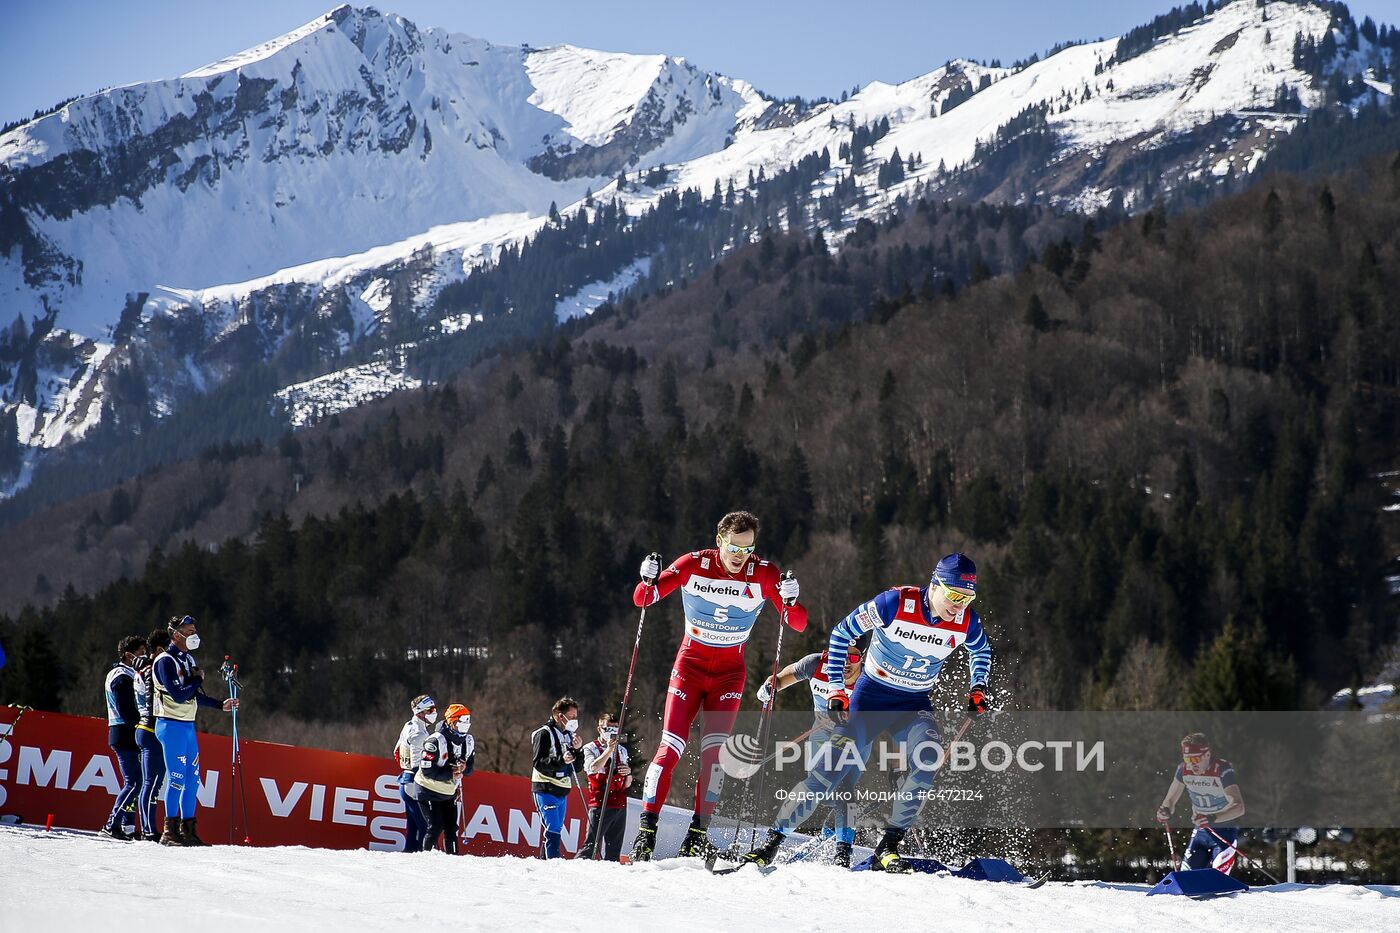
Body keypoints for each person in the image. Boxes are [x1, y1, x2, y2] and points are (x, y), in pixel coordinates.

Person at [743, 552, 992, 873]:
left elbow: (981, 650)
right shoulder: (894, 604)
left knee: (927, 761)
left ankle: (887, 849)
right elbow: (841, 633)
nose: (960, 604)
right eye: (955, 594)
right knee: (824, 777)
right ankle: (770, 845)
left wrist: (978, 687)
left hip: (913, 705)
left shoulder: (967, 621)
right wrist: (835, 688)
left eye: (968, 597)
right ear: (935, 584)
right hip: (871, 700)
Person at [630, 510, 807, 862]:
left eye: (748, 548)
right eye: (733, 547)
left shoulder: (765, 573)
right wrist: (647, 579)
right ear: (719, 542)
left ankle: (697, 836)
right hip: (690, 669)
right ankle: (646, 833)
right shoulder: (694, 564)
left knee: (714, 758)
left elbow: (798, 623)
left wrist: (790, 598)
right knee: (671, 748)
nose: (740, 556)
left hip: (729, 675)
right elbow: (643, 599)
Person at [754, 646, 863, 866]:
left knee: (843, 791)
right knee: (818, 788)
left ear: (863, 657)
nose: (846, 663)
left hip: (856, 738)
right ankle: (774, 843)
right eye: (839, 656)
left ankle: (842, 853)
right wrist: (768, 688)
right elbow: (780, 679)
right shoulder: (815, 663)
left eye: (852, 657)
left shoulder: (871, 676)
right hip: (822, 733)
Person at [152, 615, 237, 846]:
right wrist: (198, 679)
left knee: (193, 779)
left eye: (194, 630)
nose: (194, 635)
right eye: (189, 631)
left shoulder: (188, 659)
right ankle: (169, 831)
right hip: (170, 725)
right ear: (176, 634)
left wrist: (220, 705)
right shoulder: (164, 661)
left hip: (187, 726)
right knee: (177, 778)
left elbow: (193, 696)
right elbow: (179, 695)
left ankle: (188, 830)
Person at [1155, 733, 1246, 873]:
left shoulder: (1222, 769)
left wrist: (1213, 817)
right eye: (1187, 759)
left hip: (1224, 833)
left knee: (1217, 880)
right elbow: (1170, 801)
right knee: (1187, 879)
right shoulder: (1183, 770)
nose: (1191, 764)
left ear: (1207, 755)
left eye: (1195, 758)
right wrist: (1164, 811)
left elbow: (1239, 807)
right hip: (1200, 834)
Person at [100, 635, 148, 840]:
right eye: (141, 652)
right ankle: (111, 824)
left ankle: (127, 826)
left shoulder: (130, 673)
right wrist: (139, 727)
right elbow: (125, 709)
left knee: (137, 781)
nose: (145, 656)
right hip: (124, 732)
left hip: (127, 731)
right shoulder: (121, 675)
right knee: (134, 782)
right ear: (129, 655)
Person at [415, 703, 475, 853]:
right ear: (451, 722)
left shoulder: (468, 741)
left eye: (467, 722)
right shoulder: (435, 741)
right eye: (461, 722)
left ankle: (452, 859)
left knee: (451, 828)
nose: (465, 726)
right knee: (435, 826)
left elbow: (470, 769)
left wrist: (464, 768)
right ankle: (426, 858)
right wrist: (451, 773)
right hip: (427, 789)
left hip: (448, 791)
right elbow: (427, 770)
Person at [532, 697, 585, 859]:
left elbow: (576, 768)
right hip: (545, 786)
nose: (574, 720)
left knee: (556, 828)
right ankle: (554, 862)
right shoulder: (544, 734)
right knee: (553, 827)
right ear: (559, 716)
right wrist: (561, 760)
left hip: (562, 789)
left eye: (576, 717)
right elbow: (539, 763)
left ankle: (544, 862)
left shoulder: (570, 736)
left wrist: (578, 751)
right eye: (571, 716)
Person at [132, 628, 170, 841]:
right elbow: (151, 698)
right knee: (150, 783)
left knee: (155, 784)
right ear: (159, 649)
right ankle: (148, 830)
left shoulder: (148, 664)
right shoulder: (150, 668)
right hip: (149, 728)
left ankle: (150, 828)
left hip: (151, 728)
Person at [579, 713, 633, 861]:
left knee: (614, 850)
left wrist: (628, 773)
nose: (612, 732)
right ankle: (577, 870)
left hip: (620, 803)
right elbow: (592, 768)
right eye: (608, 729)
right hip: (601, 801)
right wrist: (608, 751)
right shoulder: (590, 748)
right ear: (599, 729)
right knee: (591, 846)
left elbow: (628, 782)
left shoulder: (622, 750)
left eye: (615, 729)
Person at [394, 694, 437, 852]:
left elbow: (396, 752)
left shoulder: (409, 725)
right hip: (414, 785)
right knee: (426, 828)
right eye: (430, 710)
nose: (434, 712)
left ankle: (408, 858)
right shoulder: (419, 734)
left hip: (406, 781)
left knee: (414, 829)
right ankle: (422, 863)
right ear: (420, 712)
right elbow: (419, 766)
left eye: (434, 709)